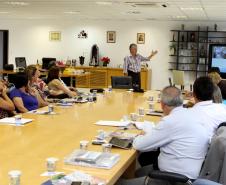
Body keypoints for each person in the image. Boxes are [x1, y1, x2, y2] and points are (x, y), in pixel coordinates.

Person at [118, 86, 210, 185]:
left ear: (162, 105)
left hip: (173, 179)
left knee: (120, 183)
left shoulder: (171, 121)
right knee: (139, 172)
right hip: (189, 175)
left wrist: (140, 135)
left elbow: (138, 145)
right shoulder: (192, 114)